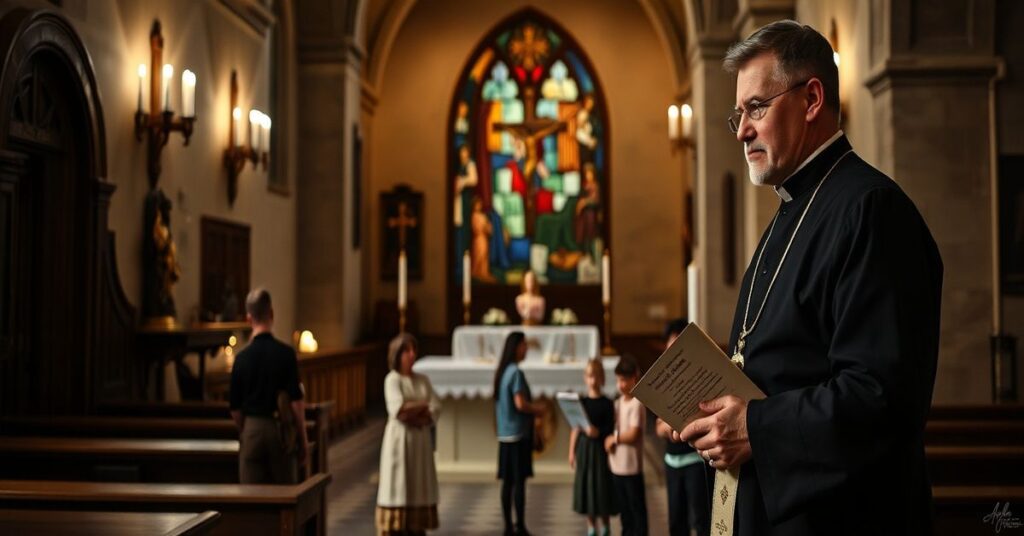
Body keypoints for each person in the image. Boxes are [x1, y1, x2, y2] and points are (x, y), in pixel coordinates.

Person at [673, 20, 943, 535]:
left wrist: (754, 426)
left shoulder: (872, 211)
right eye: (738, 115)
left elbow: (881, 397)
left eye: (756, 108)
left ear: (812, 97)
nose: (743, 130)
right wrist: (699, 410)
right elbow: (773, 365)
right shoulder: (788, 213)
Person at [229, 288, 309, 484]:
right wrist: (303, 439)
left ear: (249, 319)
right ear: (271, 314)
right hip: (279, 430)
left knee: (252, 499)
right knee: (285, 494)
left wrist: (246, 430)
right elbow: (296, 402)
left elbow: (235, 409)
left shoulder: (240, 359)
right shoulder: (286, 353)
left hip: (252, 429)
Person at [376, 333, 442, 536]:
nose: (412, 354)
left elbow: (436, 406)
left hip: (419, 442)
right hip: (399, 441)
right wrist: (422, 406)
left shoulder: (423, 379)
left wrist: (415, 411)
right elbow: (398, 410)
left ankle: (415, 526)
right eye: (407, 351)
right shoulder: (392, 379)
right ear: (397, 355)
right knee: (398, 482)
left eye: (414, 350)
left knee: (417, 482)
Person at [655, 319, 710, 536]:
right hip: (672, 461)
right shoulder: (663, 382)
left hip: (695, 461)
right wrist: (668, 429)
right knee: (676, 521)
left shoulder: (700, 378)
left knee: (701, 519)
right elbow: (659, 426)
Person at [494, 331, 548, 536]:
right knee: (519, 483)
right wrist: (538, 409)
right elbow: (520, 403)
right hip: (518, 434)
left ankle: (508, 526)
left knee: (507, 482)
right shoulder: (516, 372)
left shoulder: (503, 372)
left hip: (505, 434)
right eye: (524, 345)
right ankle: (520, 526)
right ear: (515, 347)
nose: (526, 349)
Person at [569, 358, 618, 536]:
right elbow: (576, 427)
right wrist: (571, 452)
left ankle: (605, 525)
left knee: (601, 486)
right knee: (587, 486)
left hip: (600, 450)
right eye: (590, 376)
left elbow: (611, 427)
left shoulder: (607, 402)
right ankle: (591, 526)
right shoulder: (581, 402)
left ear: (602, 378)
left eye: (596, 376)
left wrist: (599, 432)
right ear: (585, 378)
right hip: (585, 449)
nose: (593, 380)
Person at [606, 356, 647, 536]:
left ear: (634, 379)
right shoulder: (618, 403)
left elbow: (633, 433)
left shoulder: (637, 404)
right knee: (624, 511)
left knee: (636, 510)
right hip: (617, 465)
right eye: (618, 380)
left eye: (624, 380)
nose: (620, 384)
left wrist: (614, 439)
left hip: (630, 467)